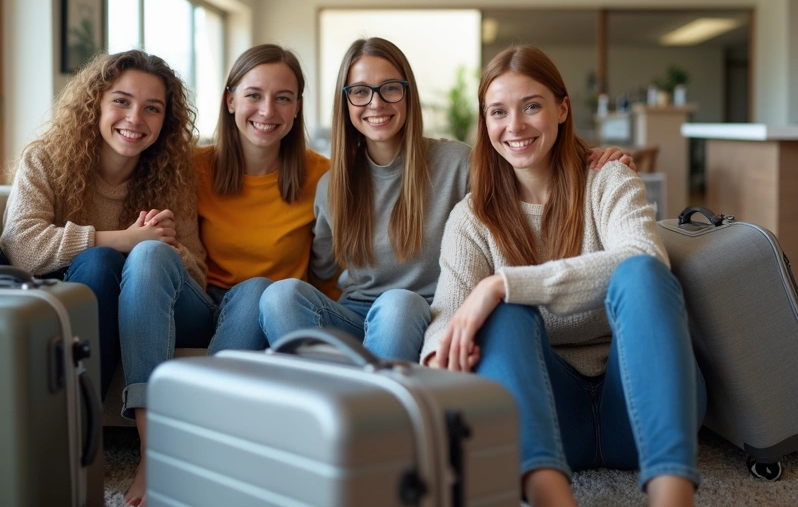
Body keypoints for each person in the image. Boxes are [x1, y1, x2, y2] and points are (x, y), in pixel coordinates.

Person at [422, 45, 706, 507]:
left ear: (562, 109)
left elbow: (645, 259)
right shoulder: (471, 218)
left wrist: (503, 283)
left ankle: (673, 499)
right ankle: (551, 498)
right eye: (498, 112)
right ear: (485, 123)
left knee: (641, 273)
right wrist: (440, 354)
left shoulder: (608, 179)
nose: (514, 126)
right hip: (548, 417)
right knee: (502, 314)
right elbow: (448, 315)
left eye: (531, 106)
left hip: (639, 401)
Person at [260, 37, 635, 362]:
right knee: (278, 296)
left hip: (423, 313)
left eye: (390, 88)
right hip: (354, 314)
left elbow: (520, 168)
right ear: (346, 102)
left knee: (397, 303)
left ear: (408, 95)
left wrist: (585, 155)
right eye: (360, 91)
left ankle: (373, 414)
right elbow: (321, 271)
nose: (375, 103)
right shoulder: (331, 185)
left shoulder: (457, 162)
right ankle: (337, 399)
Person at [0, 50, 203, 411]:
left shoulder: (173, 180)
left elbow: (198, 272)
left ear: (166, 119)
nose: (135, 118)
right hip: (27, 293)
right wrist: (126, 239)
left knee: (100, 261)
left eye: (152, 108)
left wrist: (163, 249)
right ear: (95, 104)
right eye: (121, 101)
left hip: (95, 304)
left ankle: (74, 422)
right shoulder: (45, 158)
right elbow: (20, 247)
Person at [120, 43, 335, 505]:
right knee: (147, 255)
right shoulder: (192, 167)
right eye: (254, 94)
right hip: (199, 302)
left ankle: (205, 439)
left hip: (264, 308)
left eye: (284, 97)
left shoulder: (325, 177)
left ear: (298, 109)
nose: (267, 110)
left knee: (258, 288)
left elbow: (332, 268)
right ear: (231, 99)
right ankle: (153, 446)